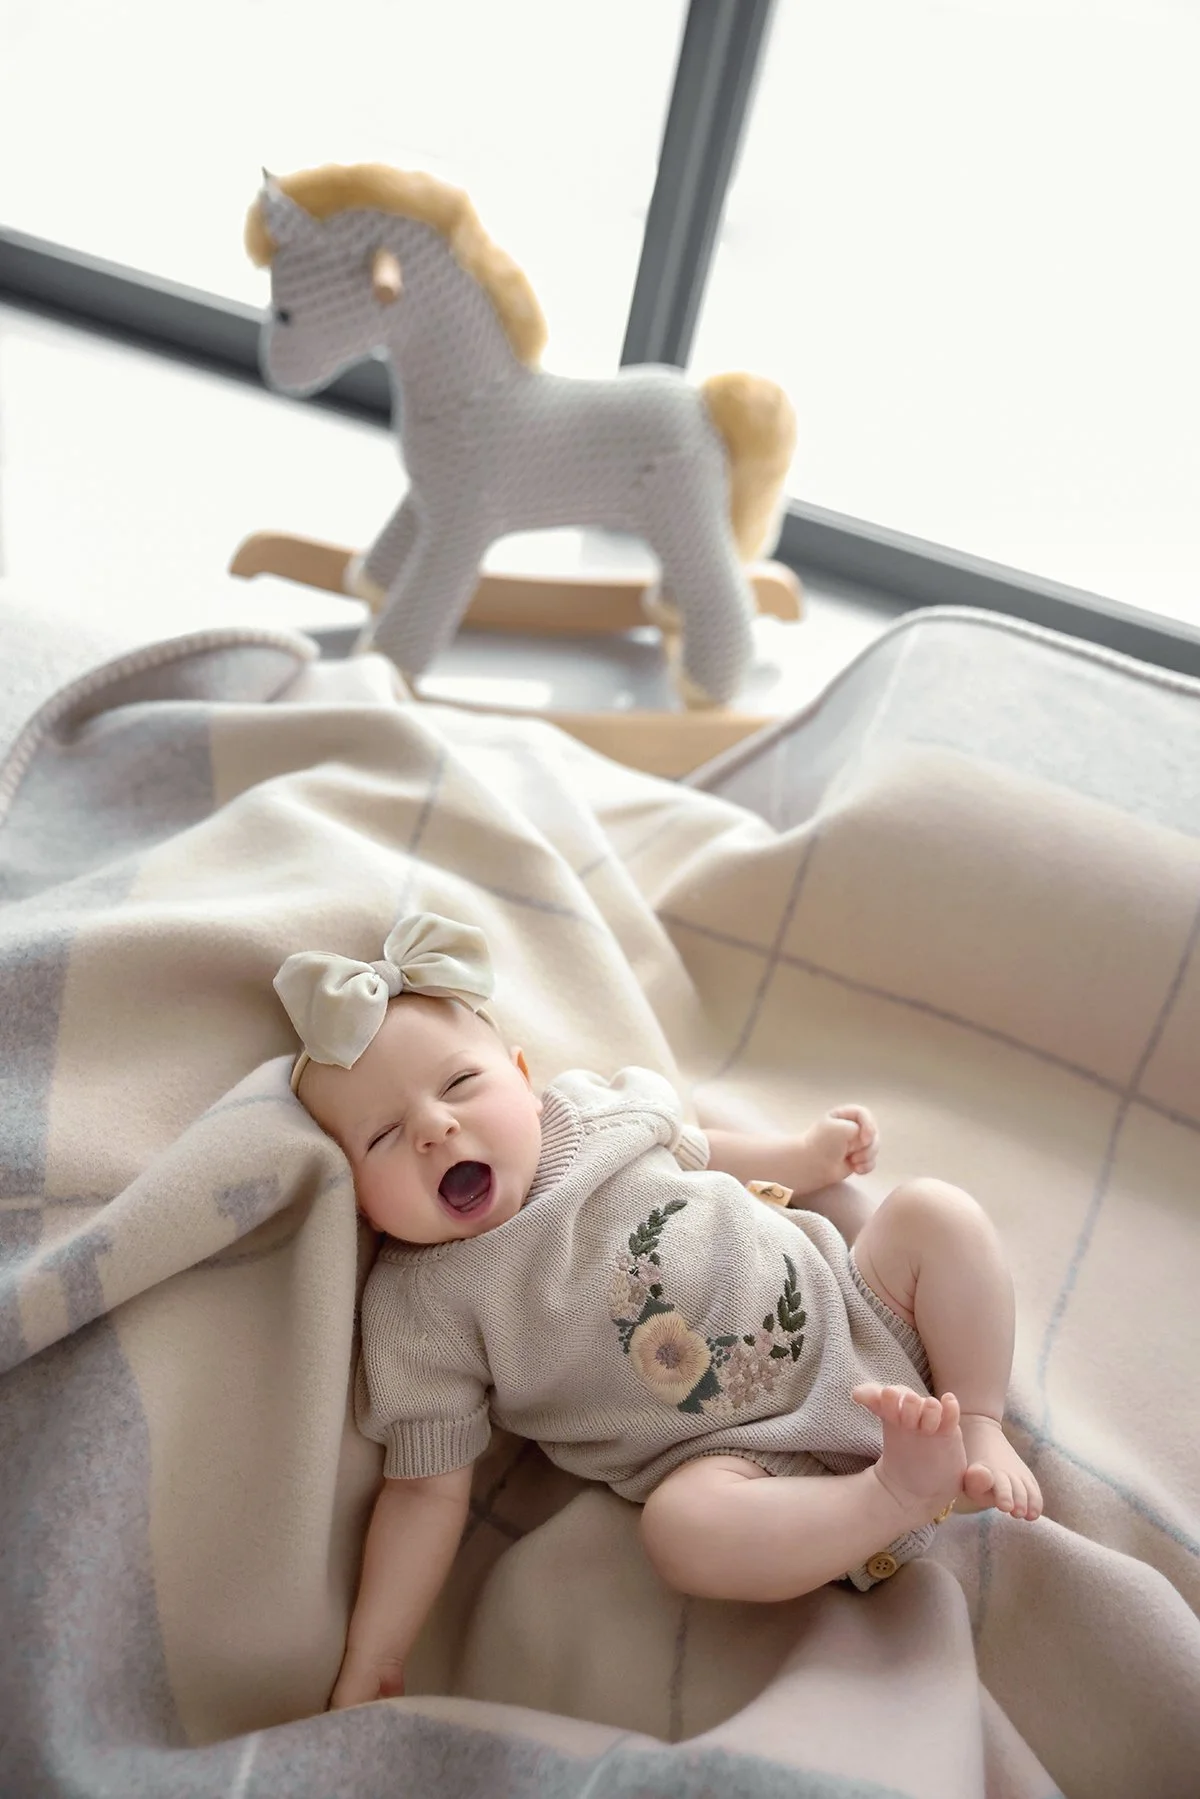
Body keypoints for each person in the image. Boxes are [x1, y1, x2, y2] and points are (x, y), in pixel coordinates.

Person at [274, 913, 1042, 1710]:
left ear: (524, 1077)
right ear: (361, 1206)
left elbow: (700, 1149)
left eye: (462, 1085)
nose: (437, 1127)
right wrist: (377, 1647)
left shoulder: (592, 1115)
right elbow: (425, 1489)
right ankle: (889, 1494)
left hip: (857, 1308)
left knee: (933, 1212)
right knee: (680, 1533)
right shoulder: (420, 1305)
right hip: (741, 1456)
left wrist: (803, 1156)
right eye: (386, 1136)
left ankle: (977, 1419)